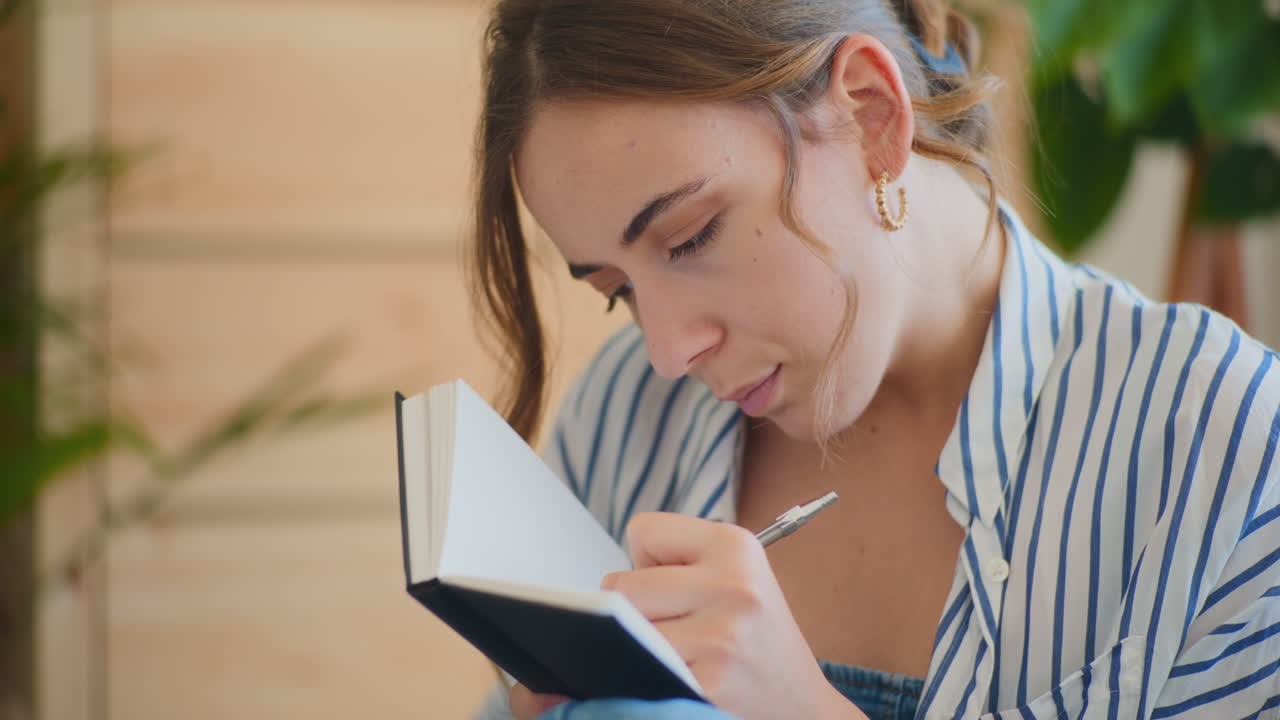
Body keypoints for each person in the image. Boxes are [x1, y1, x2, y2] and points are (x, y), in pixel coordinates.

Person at [463, 1, 1280, 718]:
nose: (669, 351)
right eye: (617, 289)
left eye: (689, 238)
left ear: (871, 113)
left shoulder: (1222, 452)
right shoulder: (622, 414)